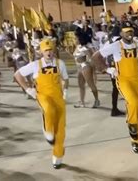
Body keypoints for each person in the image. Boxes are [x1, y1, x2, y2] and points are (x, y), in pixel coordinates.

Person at [92, 21, 138, 153]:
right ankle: (132, 131)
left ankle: (136, 139)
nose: (129, 33)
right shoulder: (115, 46)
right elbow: (96, 56)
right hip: (123, 80)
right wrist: (107, 69)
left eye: (131, 31)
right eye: (126, 31)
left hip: (137, 80)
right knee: (132, 102)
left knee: (137, 107)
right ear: (121, 33)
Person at [14, 39, 69, 169]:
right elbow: (18, 75)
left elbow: (65, 79)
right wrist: (28, 89)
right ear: (41, 52)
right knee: (48, 109)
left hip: (59, 98)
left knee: (60, 131)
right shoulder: (35, 65)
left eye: (50, 50)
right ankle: (47, 131)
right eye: (46, 50)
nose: (49, 53)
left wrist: (65, 90)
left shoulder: (60, 63)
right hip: (43, 96)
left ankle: (57, 157)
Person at [72, 36, 100, 108]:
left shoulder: (84, 48)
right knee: (81, 85)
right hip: (79, 68)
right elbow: (76, 58)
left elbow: (91, 57)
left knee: (91, 85)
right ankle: (82, 102)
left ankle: (96, 100)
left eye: (76, 38)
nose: (74, 40)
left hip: (85, 67)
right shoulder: (77, 47)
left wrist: (92, 66)